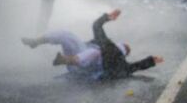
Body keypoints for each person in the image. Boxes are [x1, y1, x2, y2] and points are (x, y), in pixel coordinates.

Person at [22, 9, 163, 80]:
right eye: (125, 46)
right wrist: (107, 17)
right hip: (79, 56)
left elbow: (135, 67)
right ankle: (36, 42)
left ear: (124, 52)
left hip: (86, 70)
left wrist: (150, 61)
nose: (125, 47)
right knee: (67, 35)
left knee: (95, 53)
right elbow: (96, 26)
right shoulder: (105, 44)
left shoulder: (120, 62)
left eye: (126, 48)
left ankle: (65, 60)